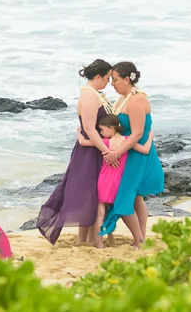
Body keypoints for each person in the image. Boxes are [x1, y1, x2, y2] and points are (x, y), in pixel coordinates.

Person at [35, 59, 112, 245]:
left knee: (92, 194)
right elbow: (90, 128)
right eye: (107, 78)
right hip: (90, 152)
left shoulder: (95, 94)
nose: (109, 82)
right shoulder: (89, 96)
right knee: (87, 193)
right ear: (98, 76)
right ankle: (85, 239)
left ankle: (87, 238)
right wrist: (106, 151)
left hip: (93, 148)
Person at [98, 61, 165, 246]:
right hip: (128, 151)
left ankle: (139, 239)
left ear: (127, 79)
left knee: (124, 198)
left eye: (115, 79)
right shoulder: (124, 98)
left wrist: (115, 154)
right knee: (136, 197)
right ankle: (140, 237)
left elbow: (136, 133)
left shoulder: (137, 99)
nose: (112, 83)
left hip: (135, 154)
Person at [87, 111, 126, 247]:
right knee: (111, 212)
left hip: (104, 181)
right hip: (119, 182)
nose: (100, 133)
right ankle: (110, 236)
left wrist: (79, 134)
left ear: (111, 128)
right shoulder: (126, 141)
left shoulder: (105, 142)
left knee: (100, 213)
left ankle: (99, 244)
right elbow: (144, 149)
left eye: (102, 129)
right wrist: (150, 137)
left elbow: (83, 142)